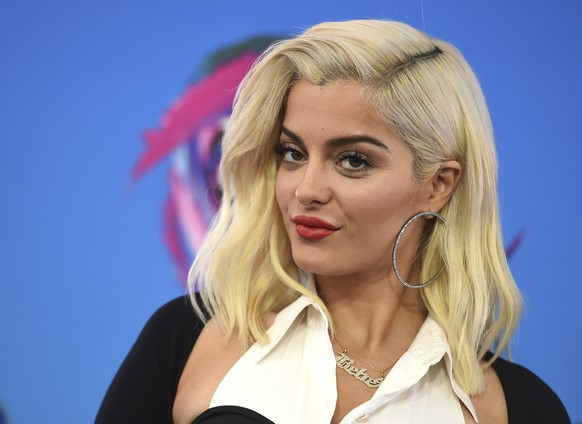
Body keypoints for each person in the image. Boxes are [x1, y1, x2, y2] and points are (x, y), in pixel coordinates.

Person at [96, 20, 570, 424]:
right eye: (293, 153)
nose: (307, 189)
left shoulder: (514, 406)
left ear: (439, 184)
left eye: (353, 160)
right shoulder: (188, 336)